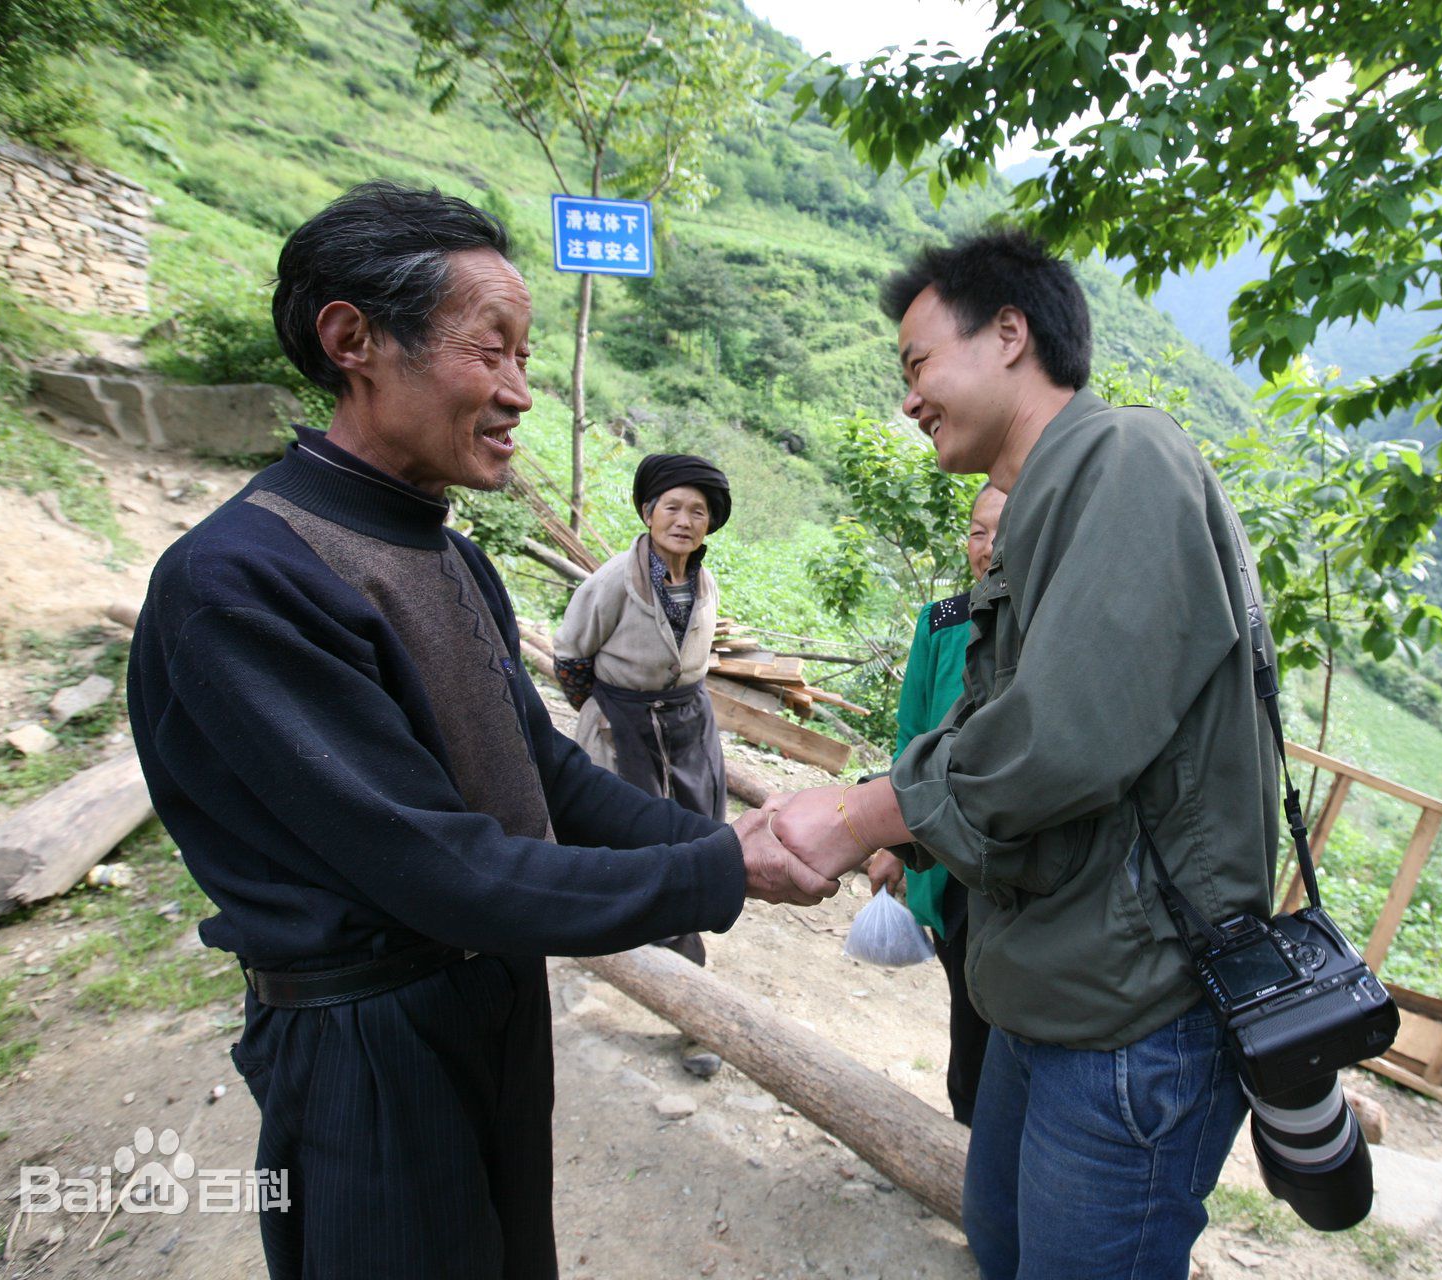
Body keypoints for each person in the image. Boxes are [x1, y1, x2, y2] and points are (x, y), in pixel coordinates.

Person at [125, 181, 835, 1280]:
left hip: (490, 997)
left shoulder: (452, 558)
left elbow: (542, 769)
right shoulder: (242, 581)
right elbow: (443, 867)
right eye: (489, 351)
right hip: (370, 1043)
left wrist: (729, 839)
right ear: (353, 338)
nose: (518, 393)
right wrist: (720, 869)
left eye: (526, 359)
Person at [764, 228, 1281, 1279]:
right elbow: (983, 720)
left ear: (1010, 334)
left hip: (1133, 1021)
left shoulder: (1127, 457)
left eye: (917, 365)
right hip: (1044, 1000)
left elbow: (1061, 735)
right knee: (1000, 1248)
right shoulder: (1042, 507)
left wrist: (864, 816)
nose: (908, 399)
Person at [552, 455, 733, 965]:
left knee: (695, 825)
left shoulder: (704, 582)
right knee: (623, 827)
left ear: (709, 524)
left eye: (697, 512)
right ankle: (617, 941)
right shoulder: (612, 581)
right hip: (622, 723)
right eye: (671, 508)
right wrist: (603, 710)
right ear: (648, 513)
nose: (684, 521)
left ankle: (678, 934)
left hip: (689, 724)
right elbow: (569, 657)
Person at [864, 482, 1005, 1126]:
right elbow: (911, 736)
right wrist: (894, 842)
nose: (987, 547)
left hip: (1010, 856)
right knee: (970, 1011)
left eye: (1003, 531)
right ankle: (967, 1130)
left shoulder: (1049, 623)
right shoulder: (942, 621)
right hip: (946, 857)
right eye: (978, 531)